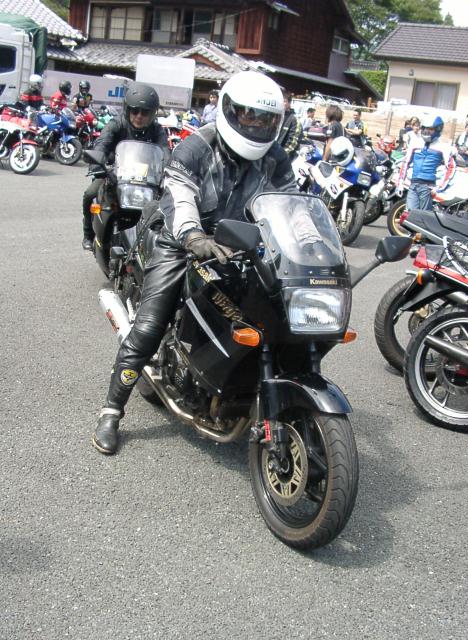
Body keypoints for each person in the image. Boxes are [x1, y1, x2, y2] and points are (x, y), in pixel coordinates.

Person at [92, 70, 296, 455]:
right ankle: (111, 411)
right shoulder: (197, 146)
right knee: (149, 326)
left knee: (275, 314)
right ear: (229, 111)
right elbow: (181, 195)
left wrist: (312, 246)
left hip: (240, 243)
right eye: (248, 115)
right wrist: (193, 236)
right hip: (181, 240)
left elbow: (292, 206)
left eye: (265, 119)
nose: (256, 125)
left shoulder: (276, 158)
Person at [81, 82, 169, 251]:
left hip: (146, 180)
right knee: (90, 194)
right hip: (114, 175)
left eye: (145, 112)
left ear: (152, 114)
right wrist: (97, 162)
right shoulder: (117, 124)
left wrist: (169, 170)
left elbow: (165, 152)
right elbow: (102, 143)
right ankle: (88, 234)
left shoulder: (157, 130)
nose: (139, 116)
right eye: (135, 111)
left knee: (164, 208)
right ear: (127, 110)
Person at [397, 115, 455, 212]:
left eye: (430, 129)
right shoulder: (415, 143)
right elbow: (405, 162)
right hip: (413, 184)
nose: (426, 131)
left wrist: (439, 188)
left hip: (428, 186)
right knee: (410, 214)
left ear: (437, 129)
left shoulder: (443, 147)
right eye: (424, 128)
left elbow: (451, 167)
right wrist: (400, 183)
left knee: (423, 216)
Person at [277, 90, 303, 158]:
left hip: (281, 157)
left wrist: (279, 156)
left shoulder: (294, 121)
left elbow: (292, 144)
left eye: (284, 101)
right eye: (280, 101)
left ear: (289, 103)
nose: (282, 103)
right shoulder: (274, 116)